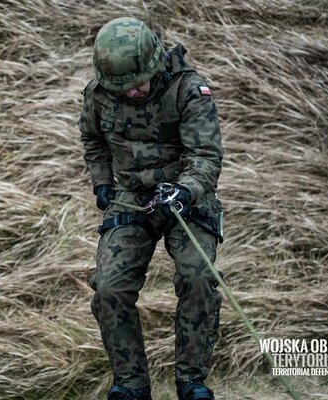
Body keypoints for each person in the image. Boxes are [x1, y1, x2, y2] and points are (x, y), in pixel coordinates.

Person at [78, 17, 225, 400]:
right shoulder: (98, 94)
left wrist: (186, 191)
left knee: (197, 277)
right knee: (109, 288)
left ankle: (191, 382)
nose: (131, 93)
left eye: (137, 83)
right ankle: (131, 385)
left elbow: (206, 157)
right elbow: (92, 139)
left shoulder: (190, 90)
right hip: (130, 196)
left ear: (156, 61)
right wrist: (102, 183)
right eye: (121, 88)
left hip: (185, 195)